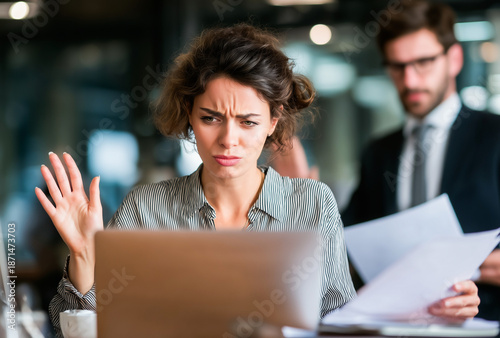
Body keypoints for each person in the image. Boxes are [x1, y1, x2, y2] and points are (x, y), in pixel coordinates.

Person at [35, 24, 356, 336]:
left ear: (273, 121)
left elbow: (343, 324)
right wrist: (84, 256)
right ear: (189, 114)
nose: (228, 139)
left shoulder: (313, 204)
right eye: (211, 118)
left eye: (248, 122)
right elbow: (79, 333)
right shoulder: (146, 209)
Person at [342, 0, 500, 321]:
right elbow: (348, 244)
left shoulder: (494, 136)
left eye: (423, 62)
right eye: (397, 67)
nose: (410, 80)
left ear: (454, 58)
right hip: (397, 324)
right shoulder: (378, 153)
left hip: (483, 323)